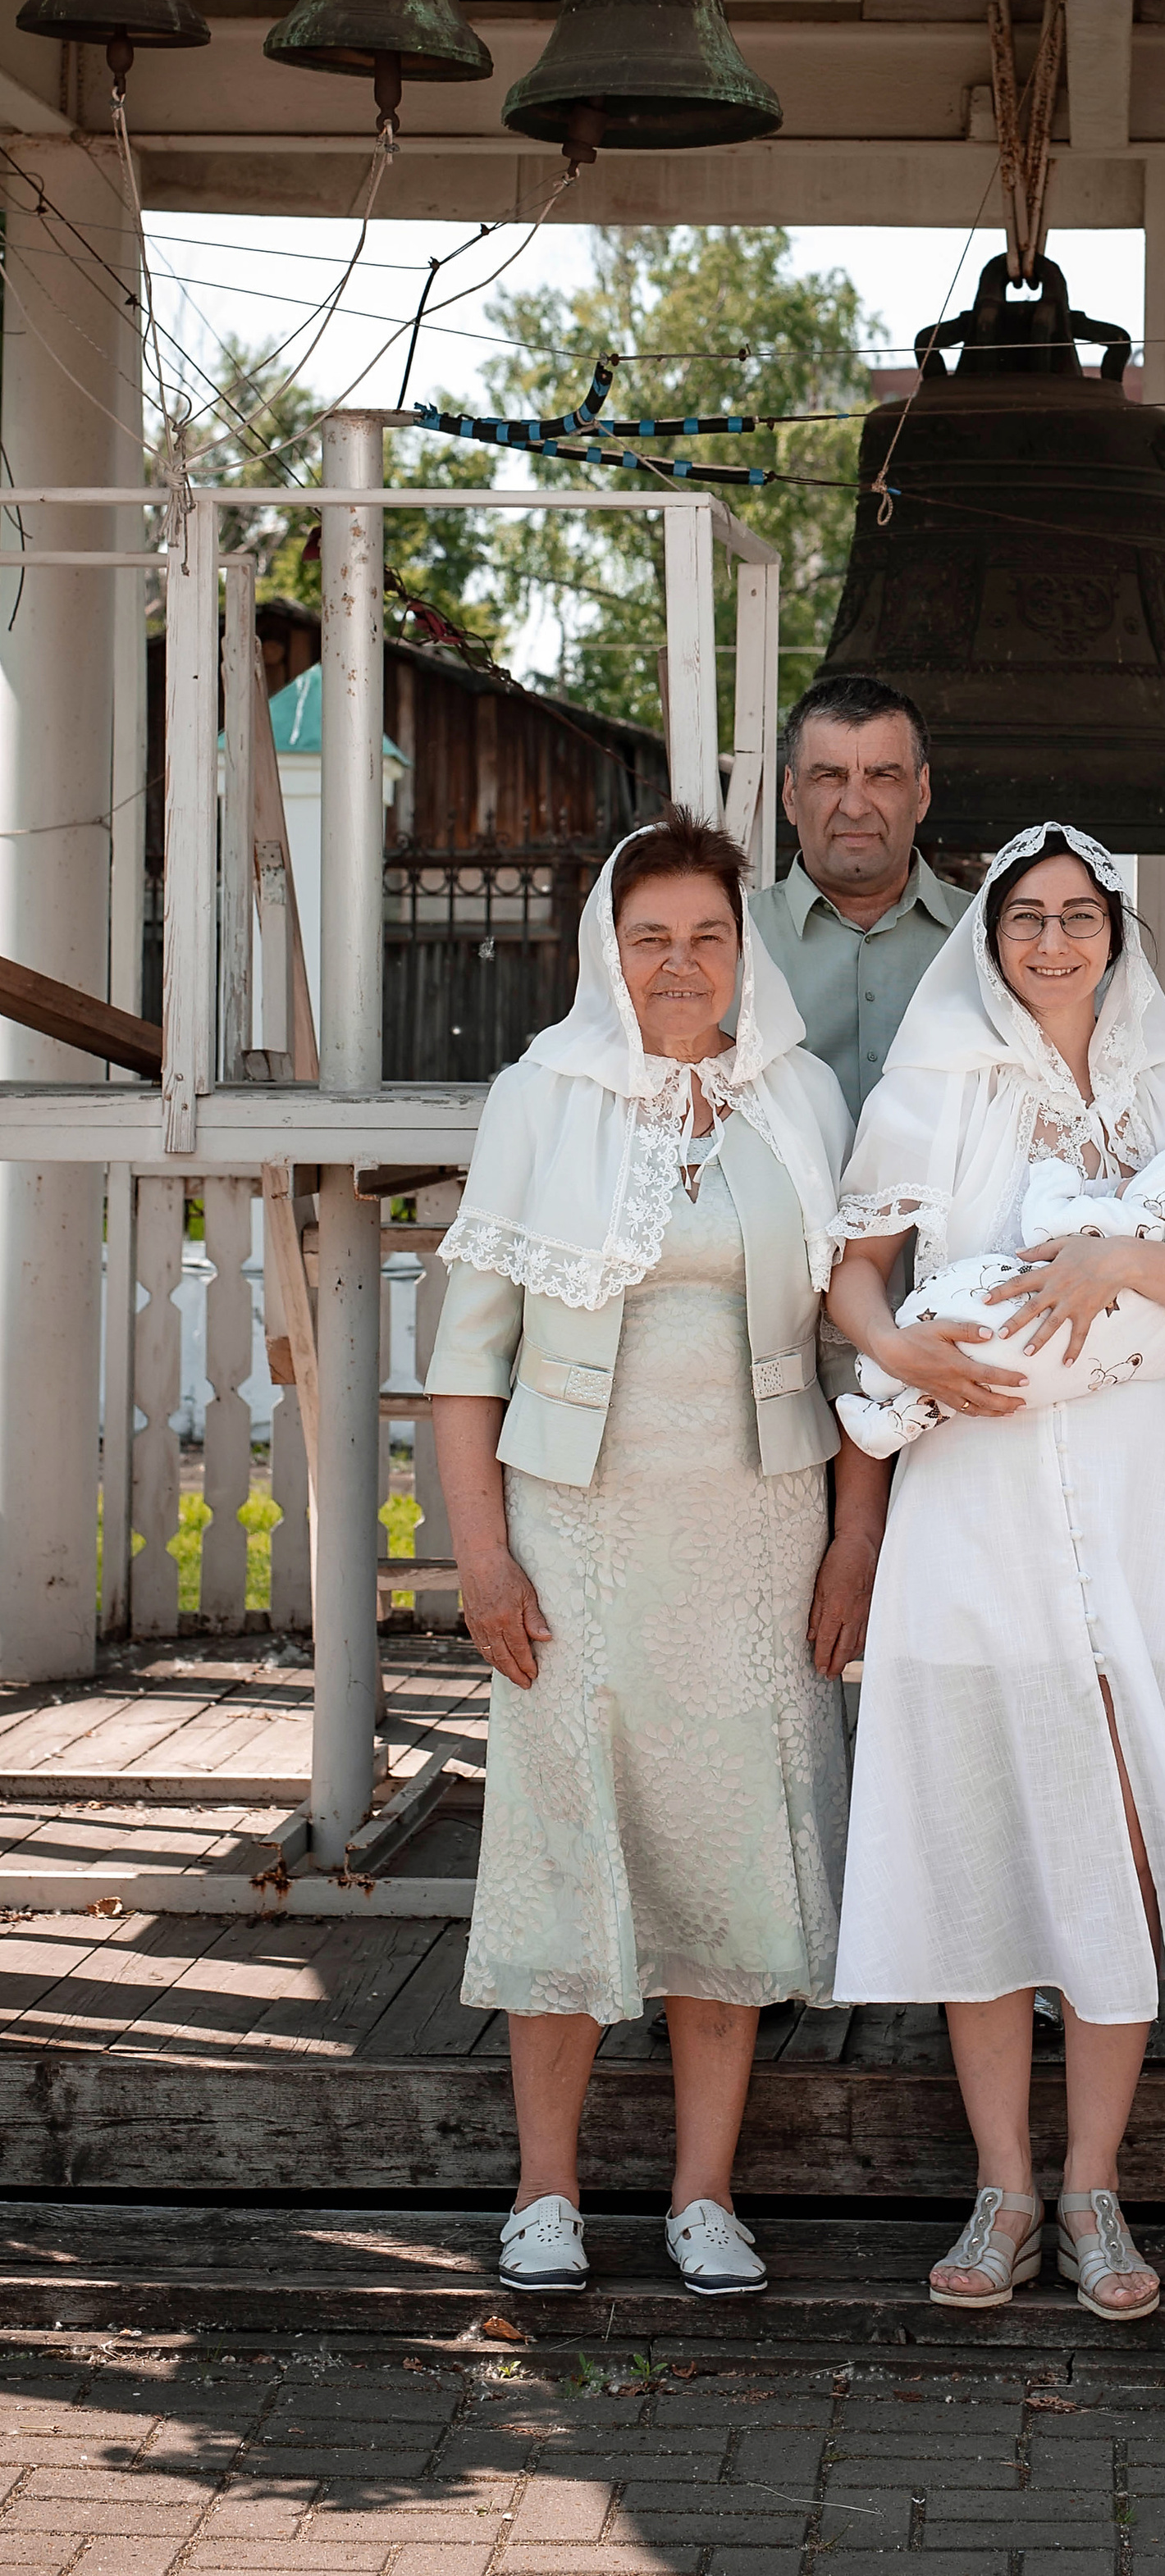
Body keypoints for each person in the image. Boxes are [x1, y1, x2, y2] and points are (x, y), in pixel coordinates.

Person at [824, 824, 1165, 2323]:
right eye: (1025, 917)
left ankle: (1095, 2185)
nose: (1051, 939)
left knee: (1114, 1834)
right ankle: (1005, 2188)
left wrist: (1117, 1266)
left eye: (1078, 916)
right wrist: (892, 1345)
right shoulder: (935, 1075)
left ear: (1117, 932)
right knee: (984, 1825)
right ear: (991, 934)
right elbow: (851, 1261)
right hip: (973, 1490)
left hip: (1140, 1487)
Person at [428, 810, 867, 2304]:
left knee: (726, 1849)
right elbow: (463, 1362)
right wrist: (481, 1557)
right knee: (564, 1839)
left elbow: (857, 1346)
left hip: (755, 1529)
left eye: (708, 936)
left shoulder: (802, 1099)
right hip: (577, 1533)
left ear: (746, 953)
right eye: (651, 937)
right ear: (606, 955)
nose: (681, 965)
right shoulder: (539, 1098)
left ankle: (701, 2196)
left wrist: (852, 1542)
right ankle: (544, 2192)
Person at [747, 673, 972, 1124]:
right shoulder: (728, 940)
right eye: (830, 776)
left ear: (922, 792)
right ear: (791, 795)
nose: (854, 806)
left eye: (882, 776)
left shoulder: (991, 939)